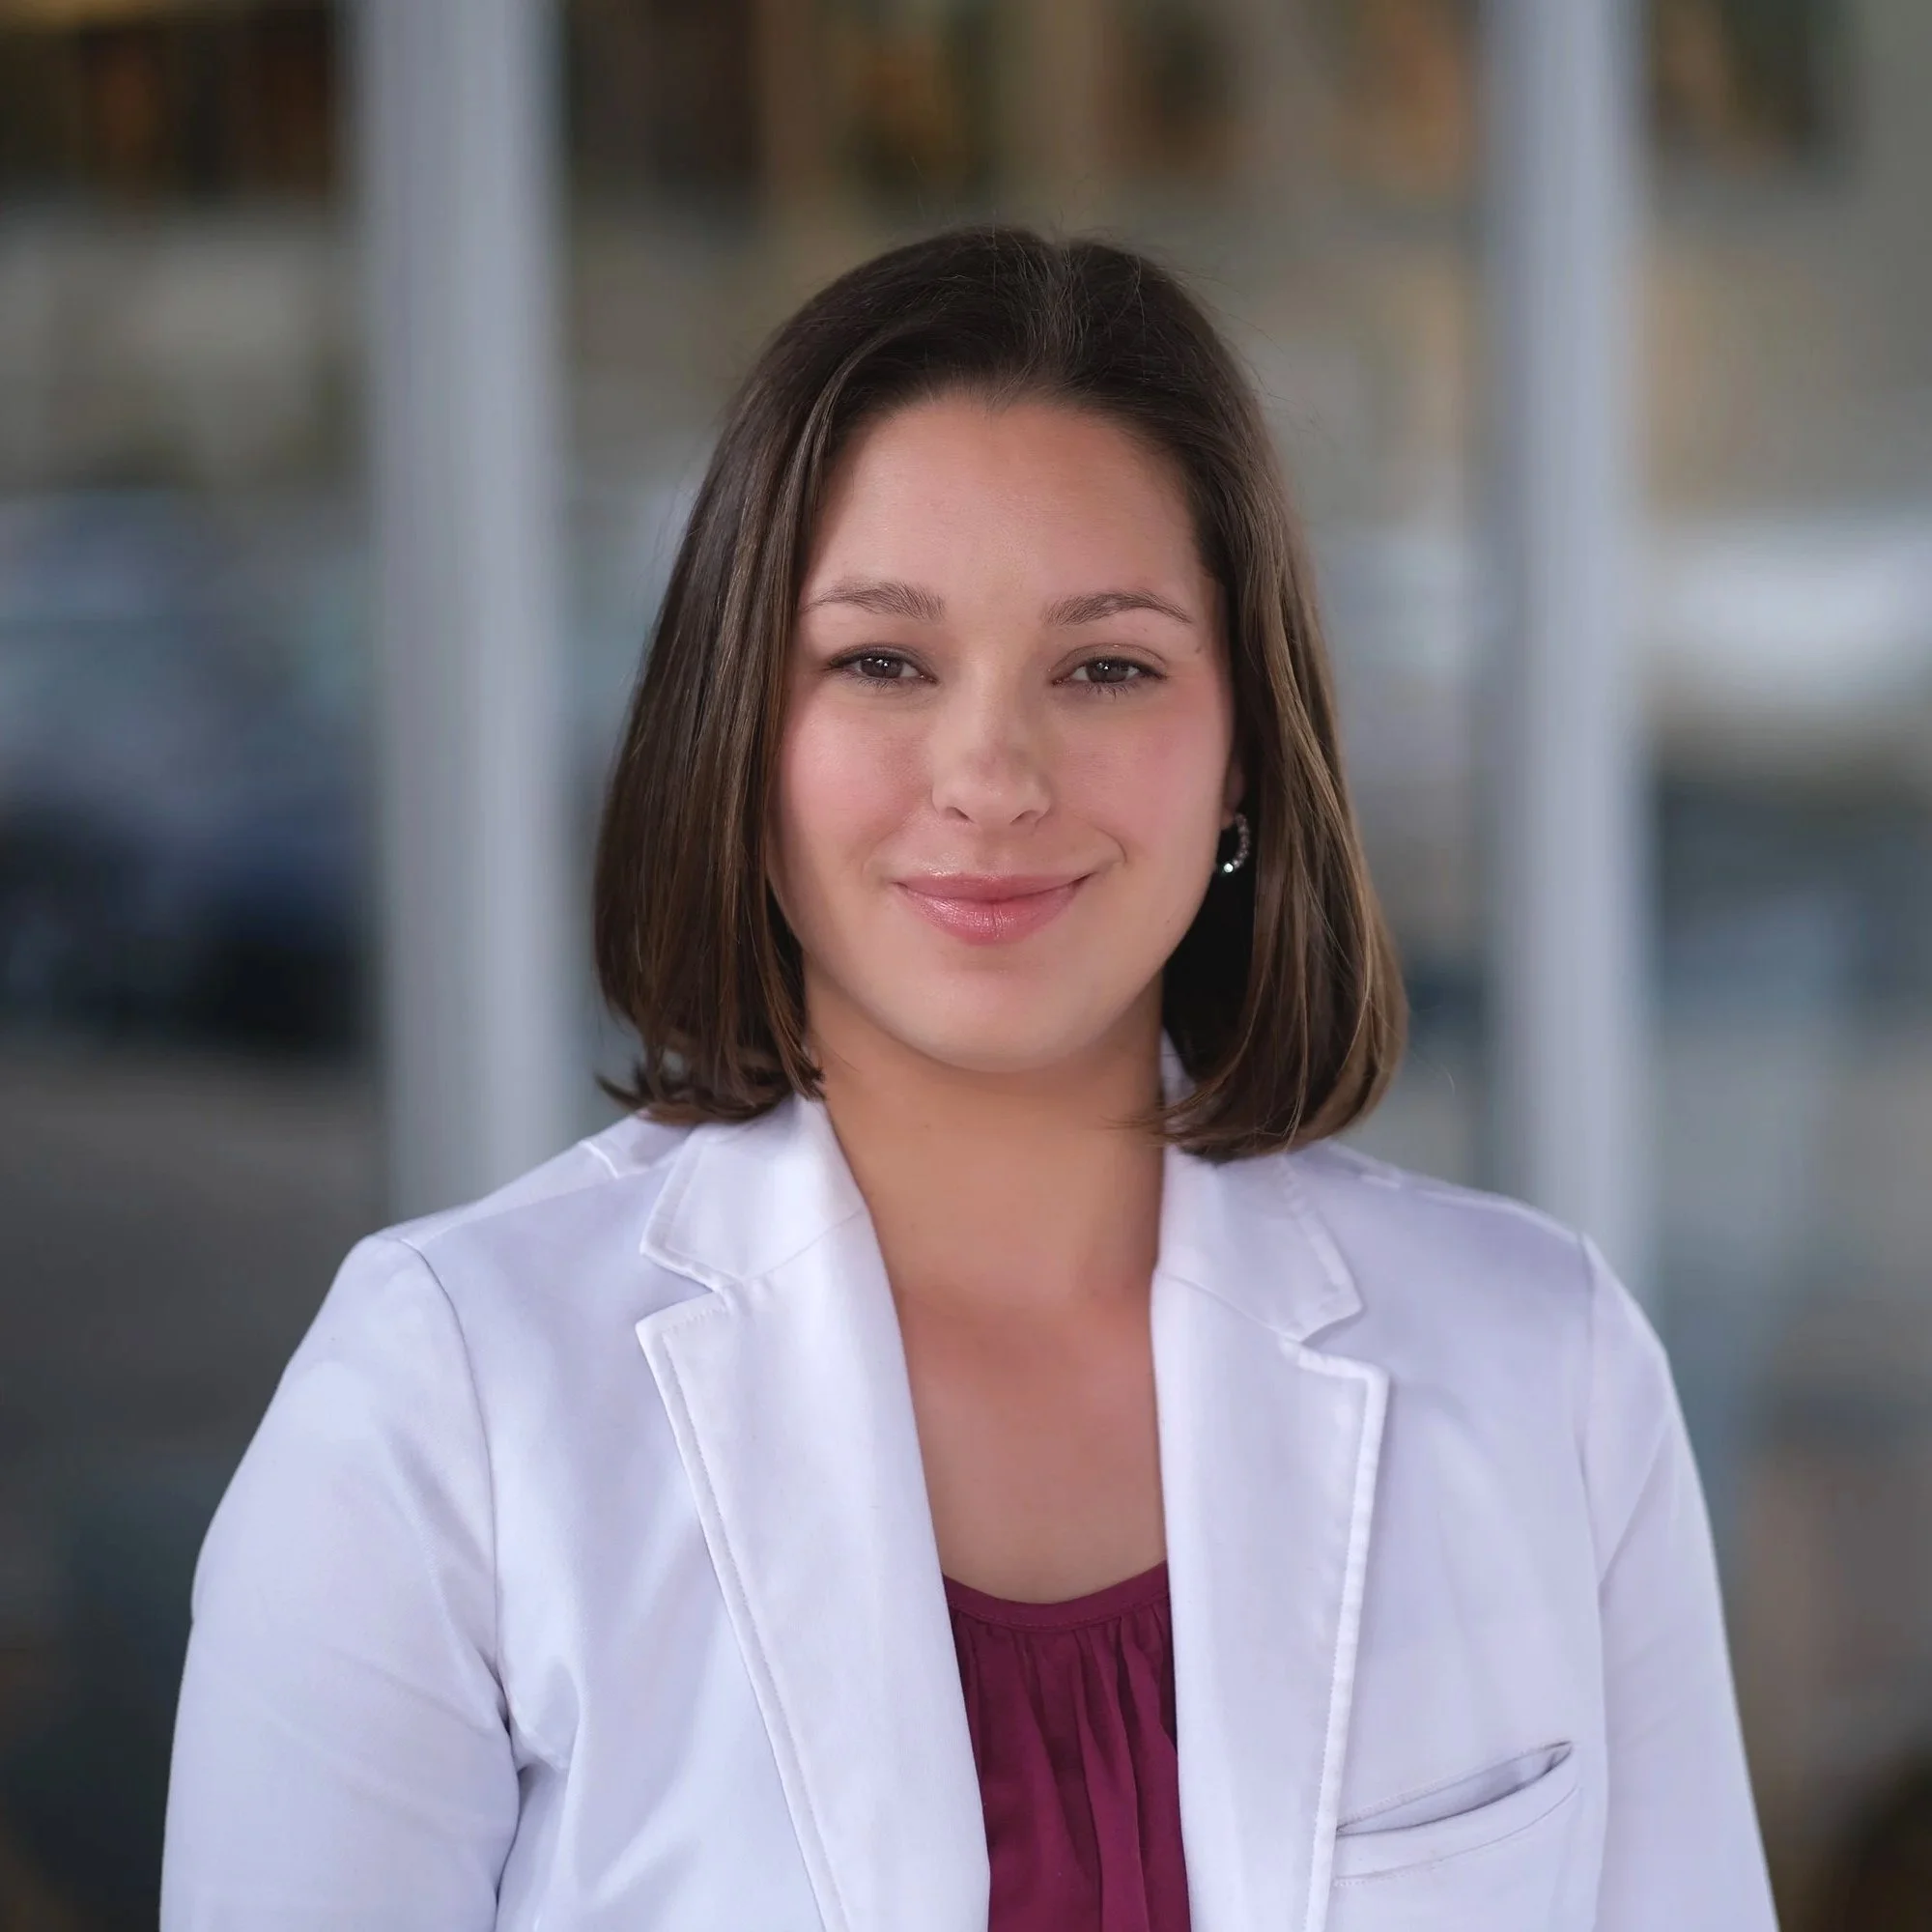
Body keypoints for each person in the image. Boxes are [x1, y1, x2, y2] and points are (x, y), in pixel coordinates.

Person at [160, 226, 1776, 1931]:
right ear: (741, 739)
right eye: (882, 662)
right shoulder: (445, 1404)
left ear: (1243, 759)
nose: (992, 774)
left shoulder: (1551, 1371)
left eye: (1108, 667)